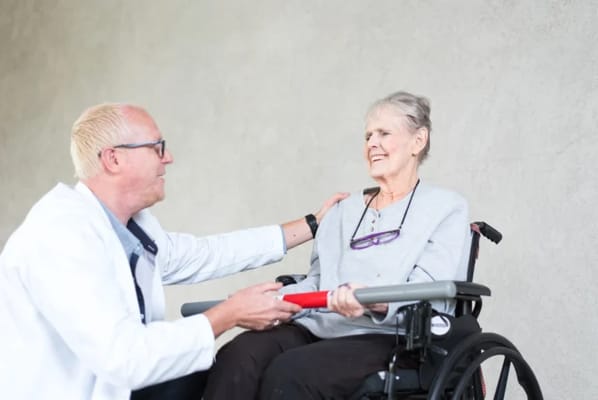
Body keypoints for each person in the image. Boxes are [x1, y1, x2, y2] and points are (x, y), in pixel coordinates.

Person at [0, 103, 348, 400]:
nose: (168, 158)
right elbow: (123, 358)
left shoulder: (130, 227)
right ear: (113, 159)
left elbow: (205, 254)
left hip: (115, 386)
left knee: (203, 376)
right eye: (156, 147)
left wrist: (313, 224)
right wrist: (227, 315)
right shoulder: (61, 235)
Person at [202, 91, 471, 399]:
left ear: (418, 141)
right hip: (320, 326)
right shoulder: (343, 210)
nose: (372, 143)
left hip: (388, 336)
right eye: (368, 135)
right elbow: (318, 281)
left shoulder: (446, 208)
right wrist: (268, 299)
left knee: (290, 373)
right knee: (239, 356)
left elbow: (431, 290)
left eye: (384, 133)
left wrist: (372, 300)